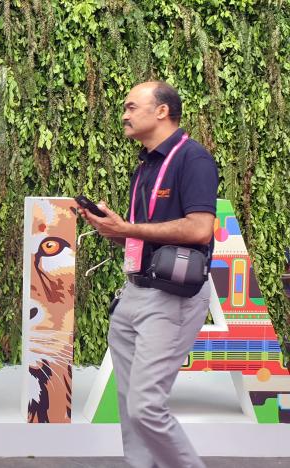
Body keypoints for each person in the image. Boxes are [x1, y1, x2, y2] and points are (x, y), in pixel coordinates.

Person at [79, 81, 218, 468]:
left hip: (171, 297)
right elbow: (143, 232)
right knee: (128, 406)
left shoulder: (193, 159)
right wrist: (113, 227)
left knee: (145, 408)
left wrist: (127, 229)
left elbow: (199, 229)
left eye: (131, 106)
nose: (124, 114)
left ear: (161, 111)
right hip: (135, 292)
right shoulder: (146, 165)